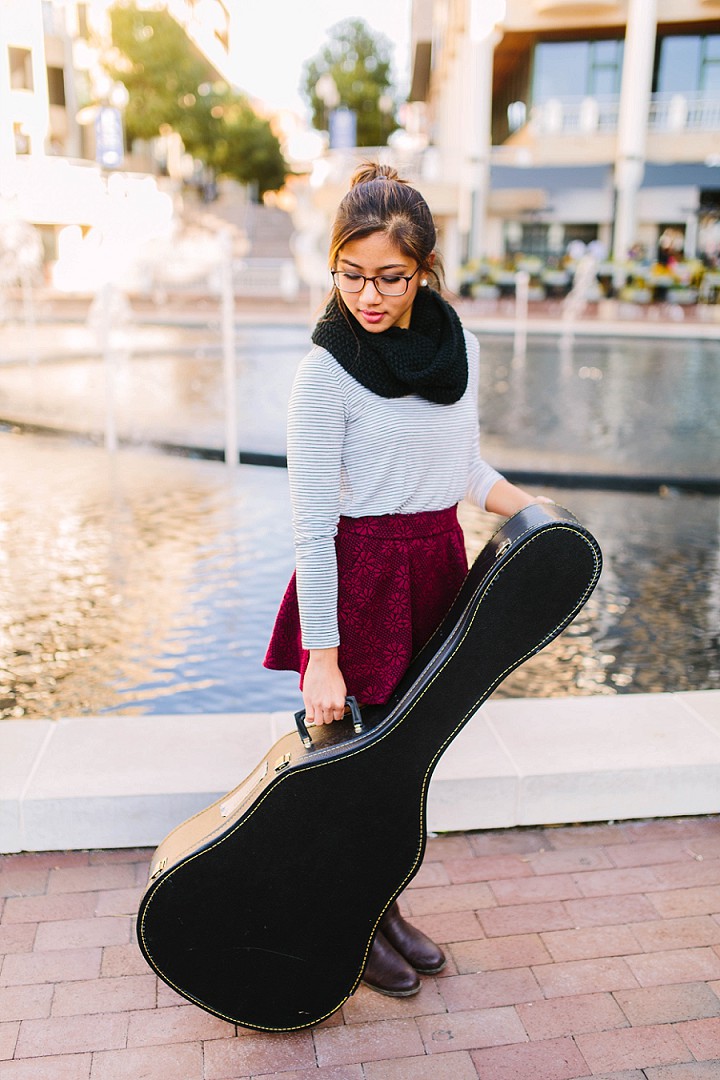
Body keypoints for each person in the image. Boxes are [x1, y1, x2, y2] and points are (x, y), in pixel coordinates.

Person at [264, 162, 546, 997]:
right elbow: (312, 522)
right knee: (353, 774)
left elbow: (458, 465)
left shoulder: (457, 348)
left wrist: (528, 505)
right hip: (359, 585)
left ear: (425, 269)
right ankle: (356, 929)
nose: (369, 296)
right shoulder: (324, 374)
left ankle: (382, 912)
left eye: (389, 277)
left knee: (401, 772)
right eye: (350, 276)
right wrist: (323, 655)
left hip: (434, 573)